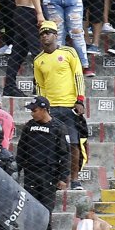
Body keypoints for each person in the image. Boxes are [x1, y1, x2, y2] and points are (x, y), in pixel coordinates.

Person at [17, 97, 73, 230]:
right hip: (31, 174)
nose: (32, 113)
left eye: (34, 110)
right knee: (31, 214)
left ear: (44, 109)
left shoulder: (59, 128)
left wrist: (63, 177)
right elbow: (21, 150)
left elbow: (65, 154)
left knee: (45, 214)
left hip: (49, 176)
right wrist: (16, 171)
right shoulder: (29, 126)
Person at [33, 20, 84, 188]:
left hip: (69, 107)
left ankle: (75, 179)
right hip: (51, 109)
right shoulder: (38, 60)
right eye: (42, 34)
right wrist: (41, 108)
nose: (45, 36)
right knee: (52, 146)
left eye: (48, 33)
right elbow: (39, 85)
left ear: (56, 35)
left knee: (74, 144)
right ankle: (59, 179)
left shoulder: (69, 53)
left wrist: (80, 100)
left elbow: (78, 75)